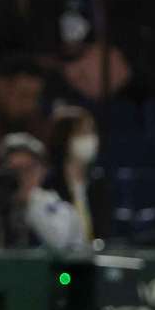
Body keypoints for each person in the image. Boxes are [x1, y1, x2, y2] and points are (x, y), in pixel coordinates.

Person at [0, 132, 85, 250]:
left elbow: (58, 243)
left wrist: (29, 200)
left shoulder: (56, 206)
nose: (22, 177)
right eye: (14, 170)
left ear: (43, 171)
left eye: (28, 169)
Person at [45, 105, 111, 244]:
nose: (90, 139)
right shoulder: (49, 182)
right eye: (82, 133)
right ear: (65, 137)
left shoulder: (97, 181)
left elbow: (104, 230)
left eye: (92, 132)